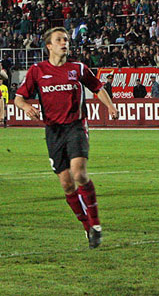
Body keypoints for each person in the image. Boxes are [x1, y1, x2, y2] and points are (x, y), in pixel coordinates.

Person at [14, 27, 119, 248]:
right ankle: (87, 226)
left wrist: (109, 106)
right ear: (49, 46)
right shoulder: (37, 70)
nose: (64, 43)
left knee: (79, 173)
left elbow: (98, 88)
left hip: (75, 126)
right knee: (66, 184)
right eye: (59, 40)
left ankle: (96, 224)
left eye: (66, 40)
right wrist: (26, 107)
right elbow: (19, 98)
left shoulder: (78, 68)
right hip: (53, 131)